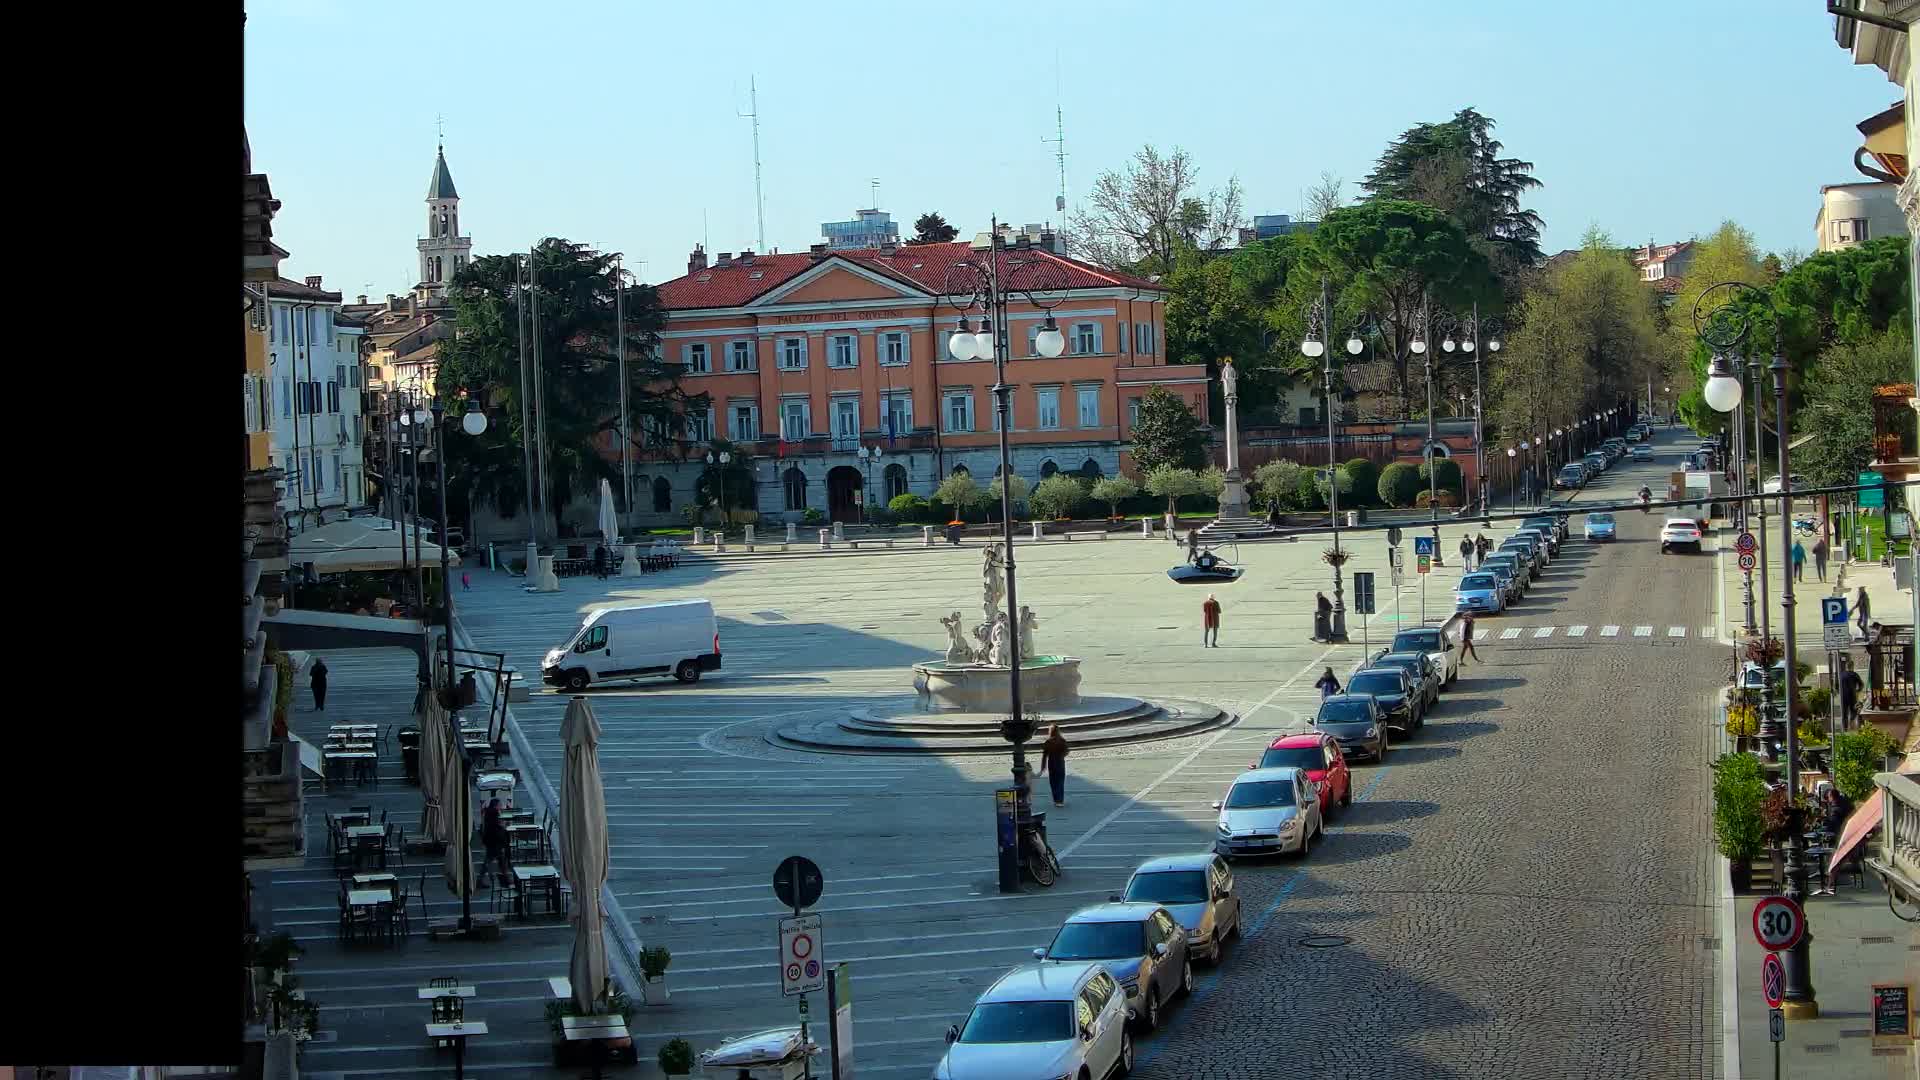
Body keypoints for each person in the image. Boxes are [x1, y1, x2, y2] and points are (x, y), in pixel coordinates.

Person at [479, 794, 512, 888]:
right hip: (494, 842)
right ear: (495, 805)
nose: (501, 806)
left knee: (493, 861)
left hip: (491, 841)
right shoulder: (494, 814)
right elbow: (497, 828)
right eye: (499, 805)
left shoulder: (490, 813)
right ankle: (506, 880)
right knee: (496, 861)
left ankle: (505, 879)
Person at [1037, 725, 1071, 807]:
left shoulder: (1048, 742)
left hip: (1052, 763)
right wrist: (1061, 755)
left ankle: (1056, 800)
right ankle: (1060, 800)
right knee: (1060, 782)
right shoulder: (1062, 740)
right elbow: (1066, 751)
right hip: (1060, 762)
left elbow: (1044, 756)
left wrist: (1043, 767)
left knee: (1053, 782)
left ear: (1050, 731)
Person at [1838, 657, 1865, 727]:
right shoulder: (1854, 674)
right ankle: (1852, 723)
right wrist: (1858, 691)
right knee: (1854, 711)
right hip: (1852, 695)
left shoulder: (1841, 675)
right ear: (1852, 666)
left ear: (1846, 666)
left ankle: (1845, 727)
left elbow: (1836, 686)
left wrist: (1839, 692)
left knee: (1844, 713)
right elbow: (1861, 684)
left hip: (1843, 696)